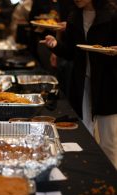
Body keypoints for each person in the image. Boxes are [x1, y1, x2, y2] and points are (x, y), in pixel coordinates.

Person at [41, 0, 117, 168]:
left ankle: (111, 180)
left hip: (108, 82)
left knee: (108, 139)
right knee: (84, 133)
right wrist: (55, 45)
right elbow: (70, 52)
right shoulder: (74, 17)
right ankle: (89, 173)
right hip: (82, 80)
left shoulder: (112, 14)